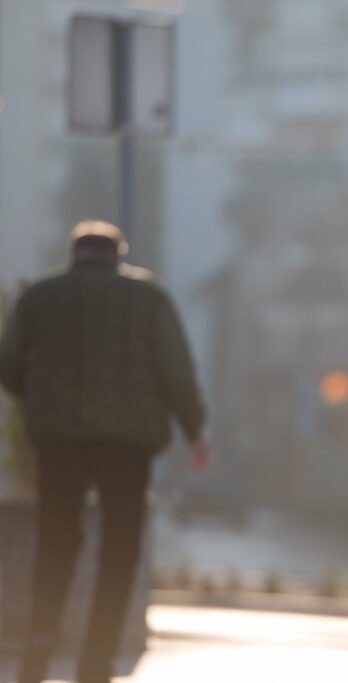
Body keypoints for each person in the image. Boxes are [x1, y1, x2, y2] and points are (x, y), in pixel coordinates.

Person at [0, 221, 209, 683]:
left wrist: (39, 398)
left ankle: (38, 644)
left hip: (59, 440)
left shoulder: (40, 297)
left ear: (74, 254)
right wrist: (194, 430)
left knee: (56, 543)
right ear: (118, 255)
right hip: (128, 445)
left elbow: (10, 365)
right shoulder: (148, 297)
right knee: (119, 548)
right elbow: (176, 369)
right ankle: (97, 658)